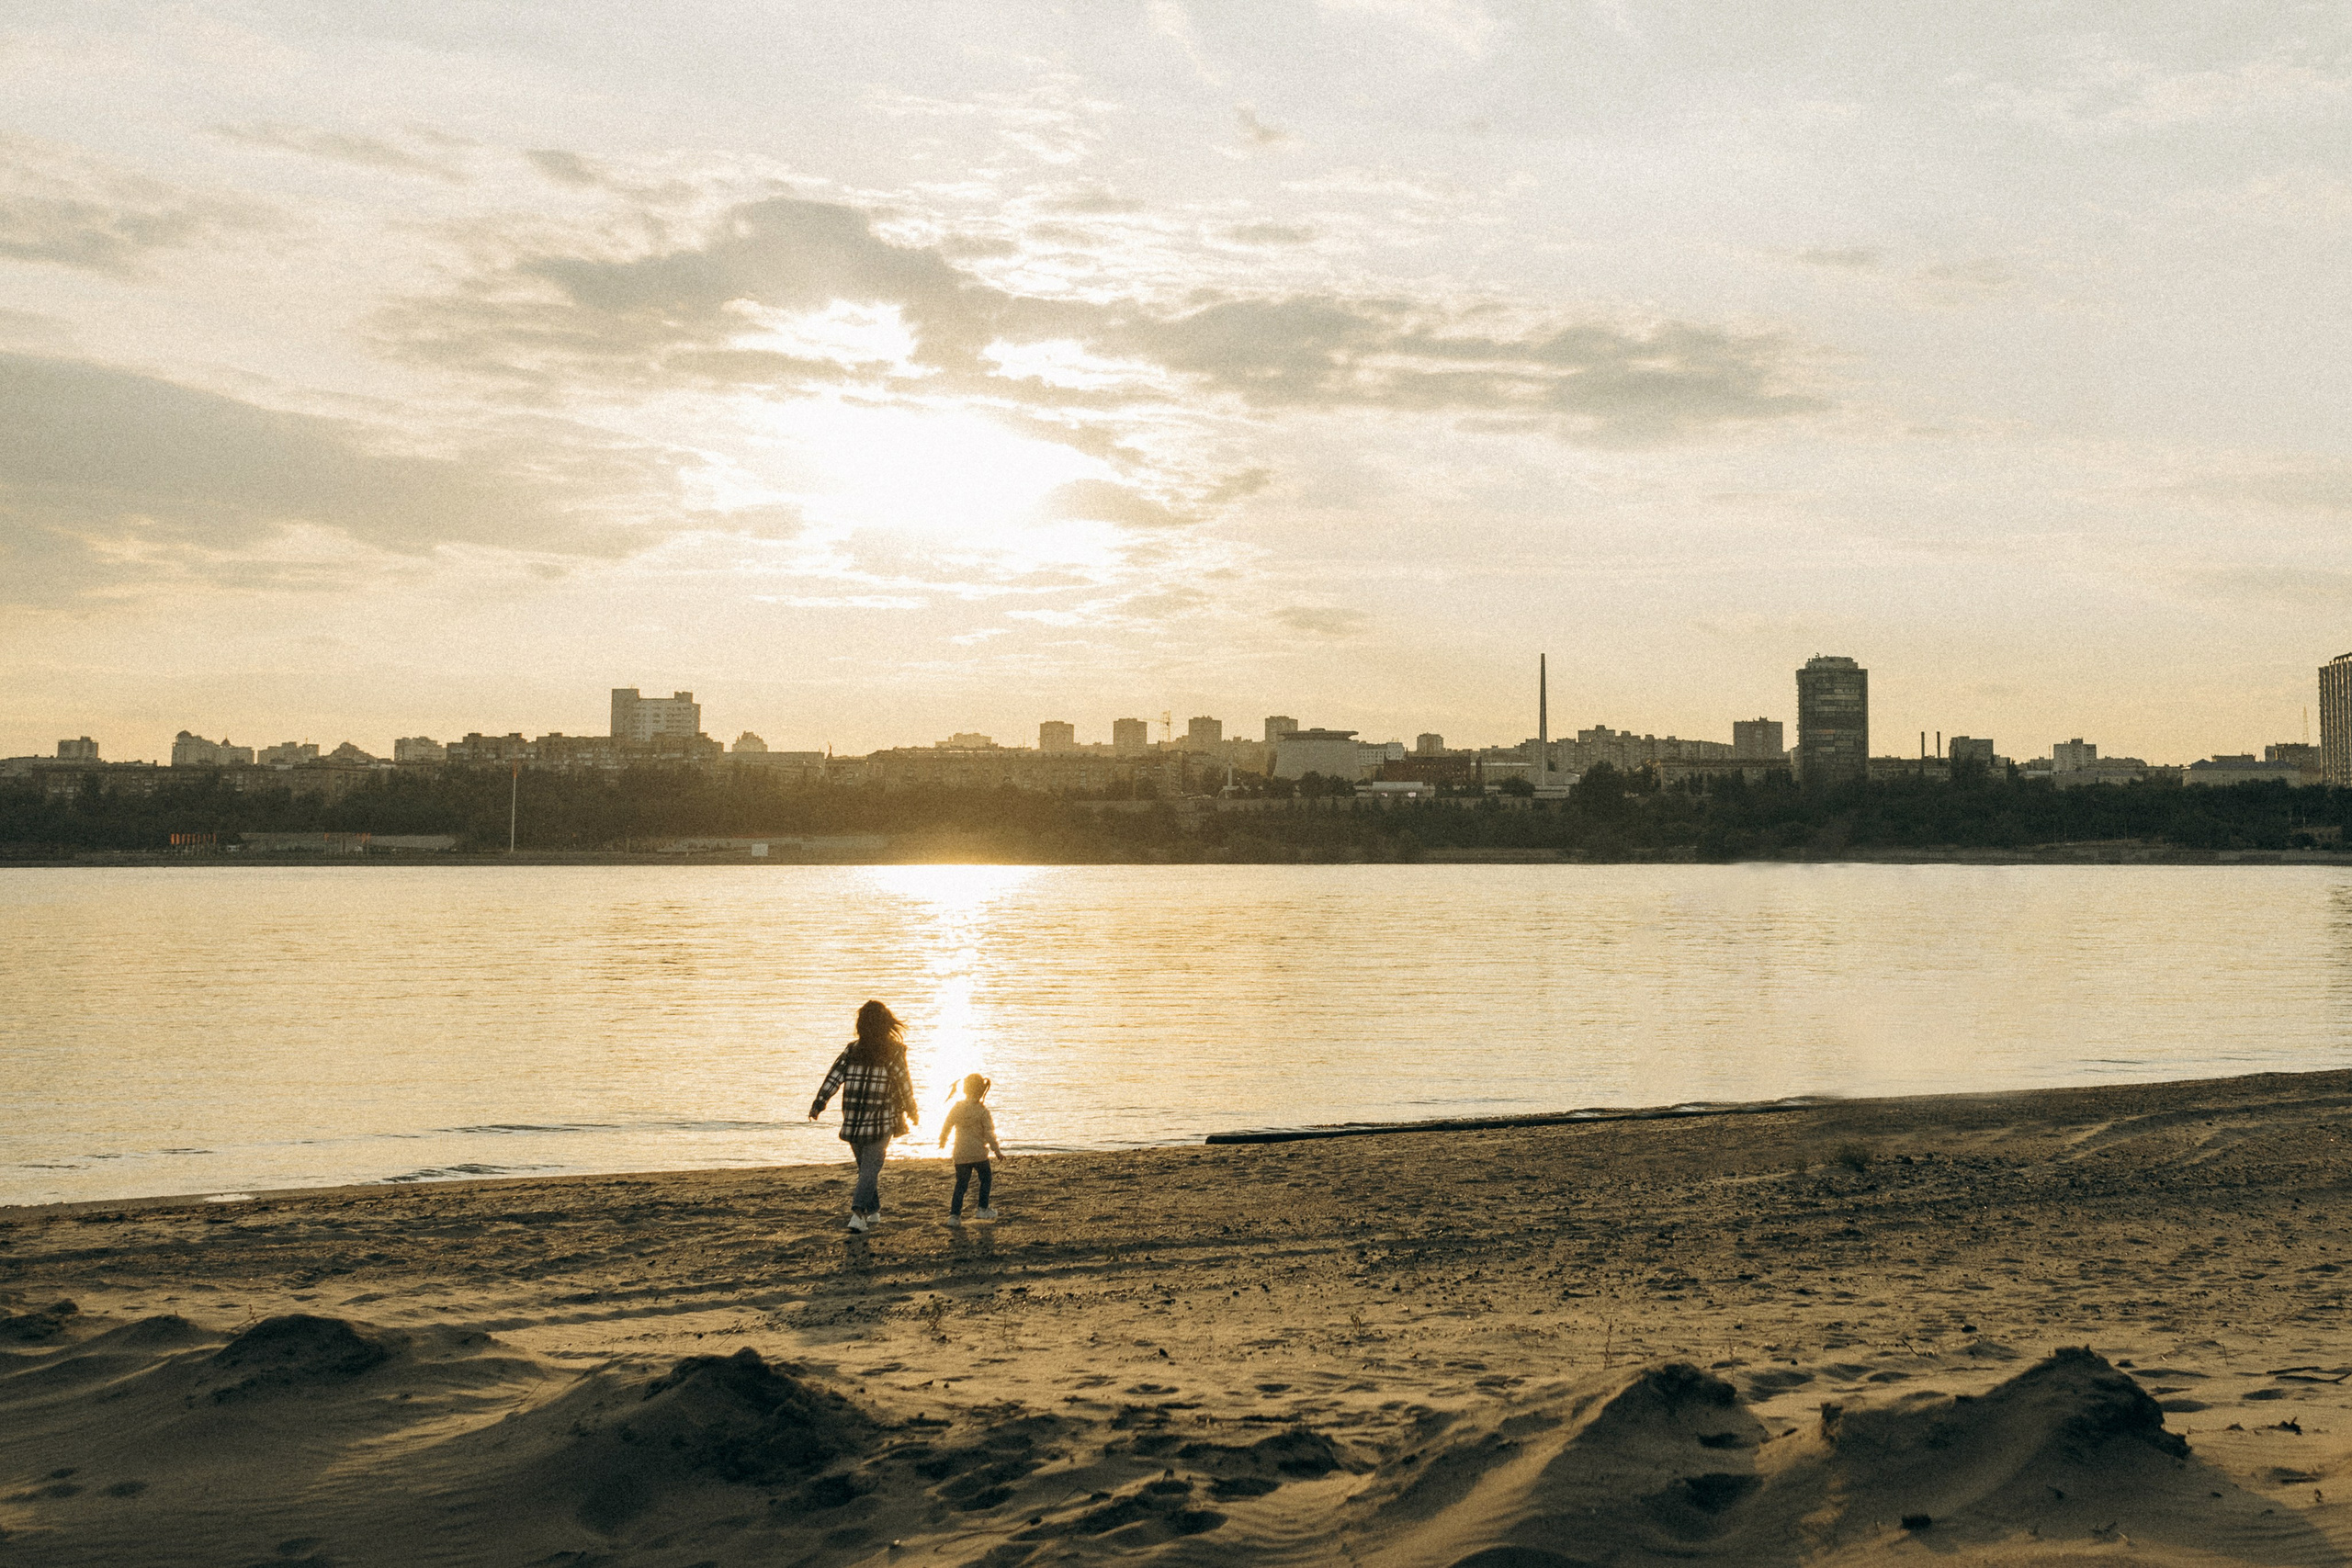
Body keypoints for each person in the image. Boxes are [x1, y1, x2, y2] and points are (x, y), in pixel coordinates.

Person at [808, 1000, 920, 1233]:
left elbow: (833, 1078)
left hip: (863, 1119)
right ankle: (874, 1211)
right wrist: (912, 1109)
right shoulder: (865, 1050)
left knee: (869, 1167)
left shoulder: (857, 1050)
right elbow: (904, 1084)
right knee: (867, 1168)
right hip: (868, 1120)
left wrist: (820, 1103)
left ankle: (858, 1214)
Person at [937, 1073, 1005, 1225]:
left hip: (960, 1154)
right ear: (981, 1091)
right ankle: (982, 1208)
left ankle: (954, 1216)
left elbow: (947, 1125)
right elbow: (989, 1134)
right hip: (979, 1154)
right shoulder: (982, 1111)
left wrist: (943, 1140)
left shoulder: (957, 1108)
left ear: (965, 1090)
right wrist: (997, 1151)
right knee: (986, 1178)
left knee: (961, 1184)